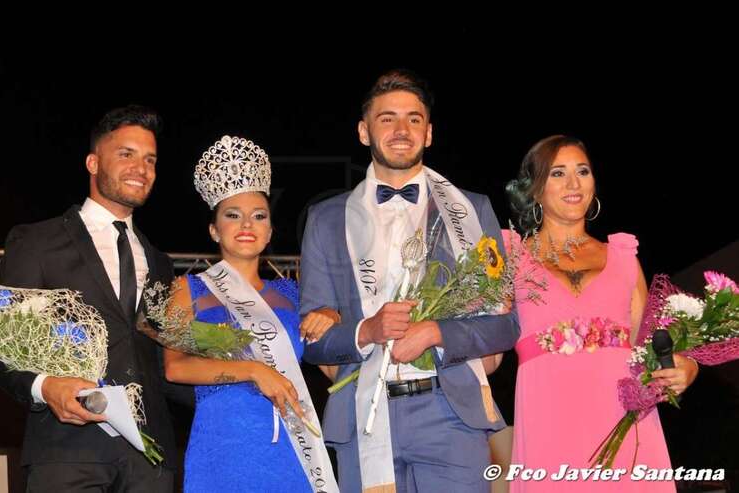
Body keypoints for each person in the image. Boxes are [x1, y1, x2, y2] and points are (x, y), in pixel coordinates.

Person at [300, 69, 520, 493]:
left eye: (414, 119)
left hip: (451, 410)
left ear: (430, 132)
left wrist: (435, 332)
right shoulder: (326, 220)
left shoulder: (471, 211)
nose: (402, 130)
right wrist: (368, 330)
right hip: (364, 412)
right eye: (387, 118)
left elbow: (505, 325)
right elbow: (313, 341)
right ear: (364, 131)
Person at [0, 105, 186, 491]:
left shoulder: (161, 263)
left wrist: (239, 379)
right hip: (66, 451)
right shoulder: (37, 242)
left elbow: (164, 364)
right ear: (93, 162)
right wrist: (45, 387)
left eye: (150, 160)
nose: (141, 169)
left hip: (151, 460)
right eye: (126, 154)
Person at [502, 134, 699, 492]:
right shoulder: (511, 256)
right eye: (558, 173)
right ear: (534, 188)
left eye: (583, 171)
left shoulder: (624, 256)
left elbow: (652, 347)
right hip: (549, 420)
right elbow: (485, 342)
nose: (574, 183)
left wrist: (686, 366)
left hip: (625, 422)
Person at [162, 135, 339, 492]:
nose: (247, 224)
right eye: (233, 215)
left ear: (270, 230)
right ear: (214, 229)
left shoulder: (294, 294)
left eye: (259, 216)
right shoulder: (187, 289)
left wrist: (334, 318)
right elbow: (176, 366)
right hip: (223, 445)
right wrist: (253, 370)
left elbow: (334, 367)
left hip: (292, 446)